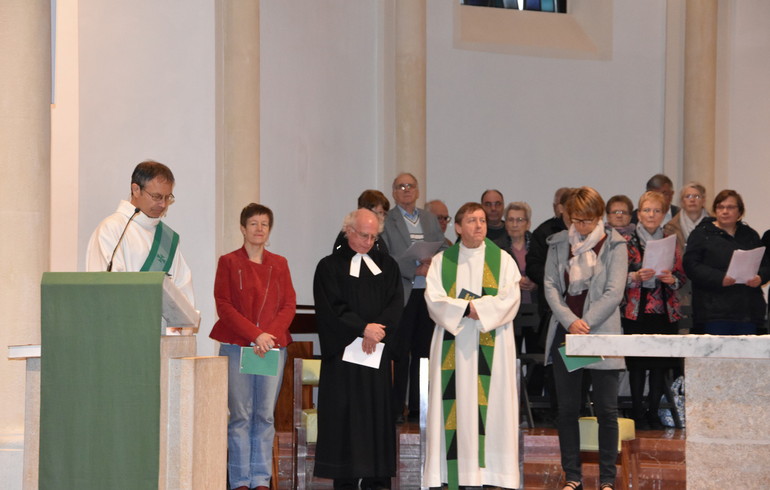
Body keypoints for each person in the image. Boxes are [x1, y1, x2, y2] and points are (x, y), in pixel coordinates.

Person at [423, 202, 521, 490]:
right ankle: (453, 473)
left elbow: (511, 298)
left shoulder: (502, 260)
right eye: (471, 220)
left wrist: (479, 309)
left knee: (493, 408)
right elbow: (433, 299)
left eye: (481, 220)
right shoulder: (443, 262)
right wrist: (466, 309)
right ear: (457, 227)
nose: (478, 225)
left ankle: (494, 474)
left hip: (493, 343)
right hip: (455, 342)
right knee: (456, 406)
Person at [543, 187, 627, 490]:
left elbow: (614, 293)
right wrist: (570, 322)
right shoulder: (557, 244)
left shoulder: (616, 244)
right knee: (567, 409)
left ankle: (606, 479)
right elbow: (551, 286)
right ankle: (573, 476)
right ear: (567, 215)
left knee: (606, 410)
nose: (583, 226)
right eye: (577, 220)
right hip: (567, 335)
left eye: (589, 220)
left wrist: (585, 322)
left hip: (601, 333)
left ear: (599, 216)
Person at [313, 208, 403, 490]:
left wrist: (377, 331)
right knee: (344, 421)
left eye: (374, 236)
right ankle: (346, 480)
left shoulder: (388, 267)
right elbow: (331, 308)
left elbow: (395, 304)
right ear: (348, 231)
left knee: (376, 420)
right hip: (343, 361)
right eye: (364, 235)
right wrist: (361, 329)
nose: (369, 242)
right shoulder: (329, 267)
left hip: (375, 358)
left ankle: (377, 480)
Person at [210, 203, 296, 490]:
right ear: (243, 228)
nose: (259, 229)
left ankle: (260, 479)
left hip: (272, 347)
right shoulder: (228, 262)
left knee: (264, 415)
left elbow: (288, 305)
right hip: (238, 347)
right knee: (241, 416)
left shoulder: (280, 263)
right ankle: (239, 481)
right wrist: (254, 335)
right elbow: (224, 305)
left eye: (264, 224)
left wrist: (267, 336)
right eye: (254, 224)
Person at [381, 173, 447, 422]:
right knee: (400, 351)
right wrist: (413, 269)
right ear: (394, 192)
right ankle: (397, 408)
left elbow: (442, 247)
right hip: (403, 292)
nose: (406, 190)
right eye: (401, 187)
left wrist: (434, 262)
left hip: (427, 293)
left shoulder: (430, 218)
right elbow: (386, 257)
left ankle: (420, 408)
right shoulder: (387, 220)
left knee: (424, 352)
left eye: (411, 186)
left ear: (418, 191)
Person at [86, 160, 194, 304]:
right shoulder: (112, 229)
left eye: (167, 197)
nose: (163, 204)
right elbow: (105, 288)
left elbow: (183, 293)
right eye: (156, 197)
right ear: (136, 189)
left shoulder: (167, 239)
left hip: (159, 326)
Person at [621, 191, 685, 430]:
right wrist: (635, 276)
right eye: (647, 210)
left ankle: (653, 411)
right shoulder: (626, 241)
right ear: (639, 214)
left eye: (656, 211)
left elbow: (681, 275)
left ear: (663, 214)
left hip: (664, 312)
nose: (651, 215)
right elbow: (617, 276)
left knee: (660, 366)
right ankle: (637, 412)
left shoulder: (671, 239)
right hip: (636, 311)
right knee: (637, 365)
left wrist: (672, 279)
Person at [683, 190, 770, 335]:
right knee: (717, 356)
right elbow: (691, 266)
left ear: (740, 212)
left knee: (745, 356)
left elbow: (765, 263)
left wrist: (761, 277)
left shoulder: (750, 235)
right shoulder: (702, 234)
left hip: (747, 310)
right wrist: (720, 278)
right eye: (720, 207)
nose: (724, 211)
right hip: (714, 310)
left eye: (730, 207)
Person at [333, 189, 391, 253]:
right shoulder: (349, 235)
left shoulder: (377, 236)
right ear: (365, 210)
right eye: (379, 213)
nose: (382, 218)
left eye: (384, 214)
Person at [663, 182, 710, 251]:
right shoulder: (670, 227)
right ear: (682, 201)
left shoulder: (715, 224)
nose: (692, 200)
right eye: (688, 196)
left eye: (697, 196)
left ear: (703, 200)